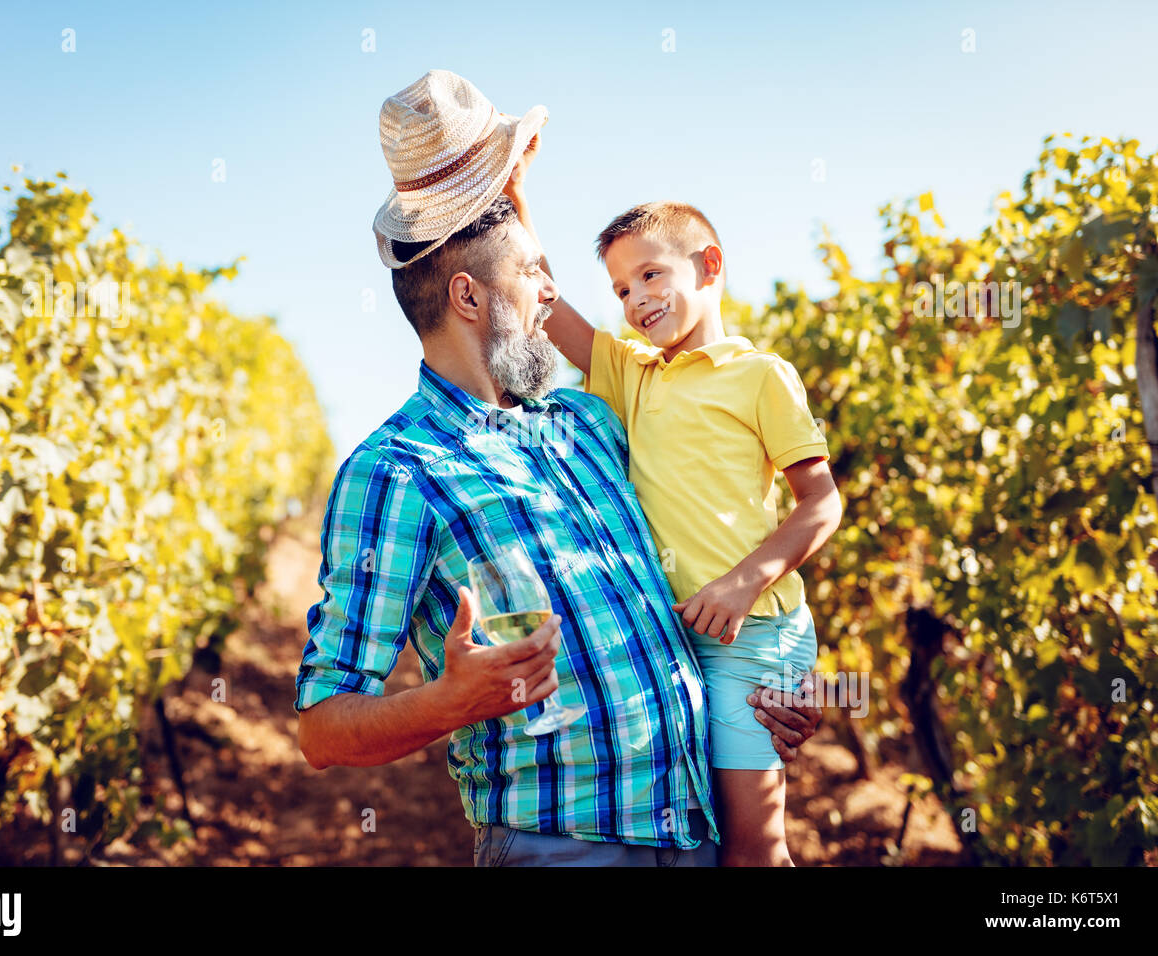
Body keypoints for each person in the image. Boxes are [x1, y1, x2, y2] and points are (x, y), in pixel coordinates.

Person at [294, 69, 823, 866]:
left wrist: (764, 684)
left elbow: (718, 526)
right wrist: (447, 702)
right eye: (535, 276)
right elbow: (322, 727)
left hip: (700, 836)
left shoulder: (588, 425)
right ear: (469, 299)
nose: (554, 297)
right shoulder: (397, 472)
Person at [504, 151, 843, 866]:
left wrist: (743, 583)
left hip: (753, 635)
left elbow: (821, 502)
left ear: (710, 266)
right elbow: (544, 299)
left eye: (651, 275)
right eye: (622, 289)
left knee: (754, 849)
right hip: (676, 636)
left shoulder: (759, 375)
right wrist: (514, 196)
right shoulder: (632, 375)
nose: (636, 300)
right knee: (710, 842)